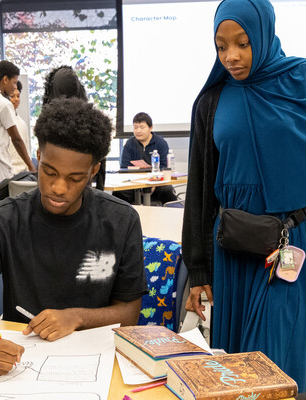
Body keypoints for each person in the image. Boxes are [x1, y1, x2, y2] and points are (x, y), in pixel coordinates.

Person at [0, 97, 147, 376]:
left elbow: (129, 312)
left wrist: (76, 317)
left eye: (75, 178)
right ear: (38, 156)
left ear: (93, 171)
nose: (59, 188)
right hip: (23, 367)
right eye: (49, 172)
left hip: (95, 362)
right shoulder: (1, 220)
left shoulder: (120, 221)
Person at [182, 0, 306, 389]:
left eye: (243, 43)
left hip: (289, 245)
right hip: (233, 246)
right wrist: (199, 270)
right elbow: (201, 190)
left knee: (274, 361)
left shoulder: (301, 83)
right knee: (236, 371)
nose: (231, 56)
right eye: (221, 46)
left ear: (264, 36)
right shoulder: (212, 100)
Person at [41, 65, 105, 190]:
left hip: (51, 189)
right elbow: (100, 160)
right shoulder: (91, 121)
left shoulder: (47, 122)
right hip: (82, 189)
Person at [114, 112, 178, 205]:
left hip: (156, 183)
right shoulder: (129, 144)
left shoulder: (160, 143)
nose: (138, 131)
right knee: (118, 194)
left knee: (167, 191)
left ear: (150, 128)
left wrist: (154, 183)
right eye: (135, 127)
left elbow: (164, 167)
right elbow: (124, 167)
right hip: (133, 184)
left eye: (142, 127)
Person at [7, 81, 32, 175]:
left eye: (18, 96)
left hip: (23, 172)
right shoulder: (4, 121)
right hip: (9, 171)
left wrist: (30, 168)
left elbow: (26, 147)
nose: (16, 99)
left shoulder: (22, 123)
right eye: (12, 96)